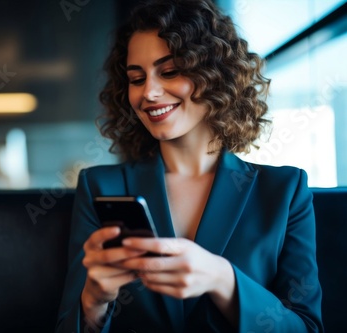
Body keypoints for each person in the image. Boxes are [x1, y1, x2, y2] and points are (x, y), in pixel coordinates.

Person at [56, 0, 323, 332]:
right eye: (136, 79)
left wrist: (223, 279)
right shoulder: (100, 187)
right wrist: (93, 301)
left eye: (169, 72)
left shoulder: (285, 190)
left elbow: (307, 327)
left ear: (215, 76)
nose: (149, 92)